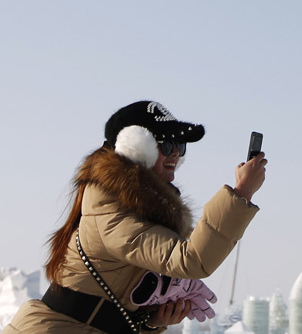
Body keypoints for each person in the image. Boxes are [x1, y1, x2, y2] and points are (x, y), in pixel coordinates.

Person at [2, 101, 268, 333]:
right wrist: (241, 193)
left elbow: (105, 307)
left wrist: (151, 321)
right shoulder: (109, 207)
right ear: (134, 149)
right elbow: (192, 260)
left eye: (181, 145)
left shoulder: (142, 211)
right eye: (165, 144)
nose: (175, 152)